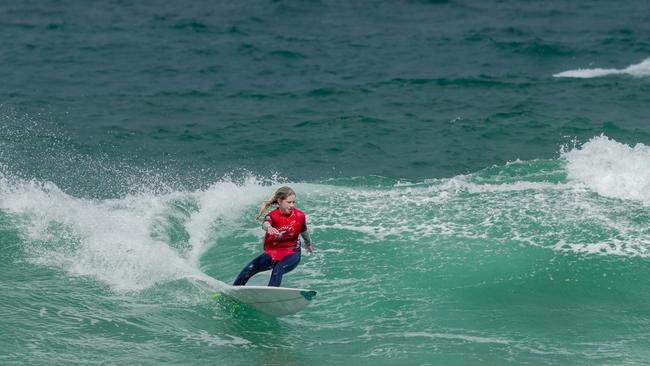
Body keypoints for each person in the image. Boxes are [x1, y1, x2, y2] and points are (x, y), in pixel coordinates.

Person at [233, 186, 313, 287]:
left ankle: (271, 295)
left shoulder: (300, 215)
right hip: (274, 253)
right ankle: (234, 291)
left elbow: (304, 231)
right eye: (289, 202)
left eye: (293, 202)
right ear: (280, 201)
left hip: (292, 253)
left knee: (278, 268)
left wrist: (308, 243)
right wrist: (269, 228)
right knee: (250, 268)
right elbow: (265, 223)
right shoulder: (272, 215)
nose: (292, 205)